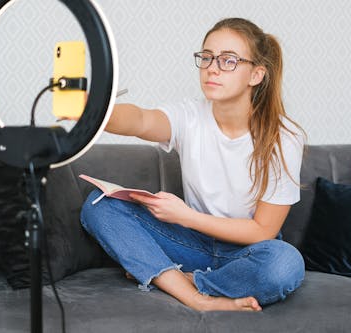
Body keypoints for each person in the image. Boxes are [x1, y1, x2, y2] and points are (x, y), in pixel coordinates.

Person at [79, 17, 306, 312]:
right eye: (207, 57)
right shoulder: (189, 116)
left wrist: (185, 216)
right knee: (98, 204)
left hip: (247, 253)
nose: (212, 67)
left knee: (285, 264)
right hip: (190, 244)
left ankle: (184, 281)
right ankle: (195, 297)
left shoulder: (284, 137)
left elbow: (262, 230)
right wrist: (93, 110)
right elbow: (141, 120)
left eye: (228, 60)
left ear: (256, 74)